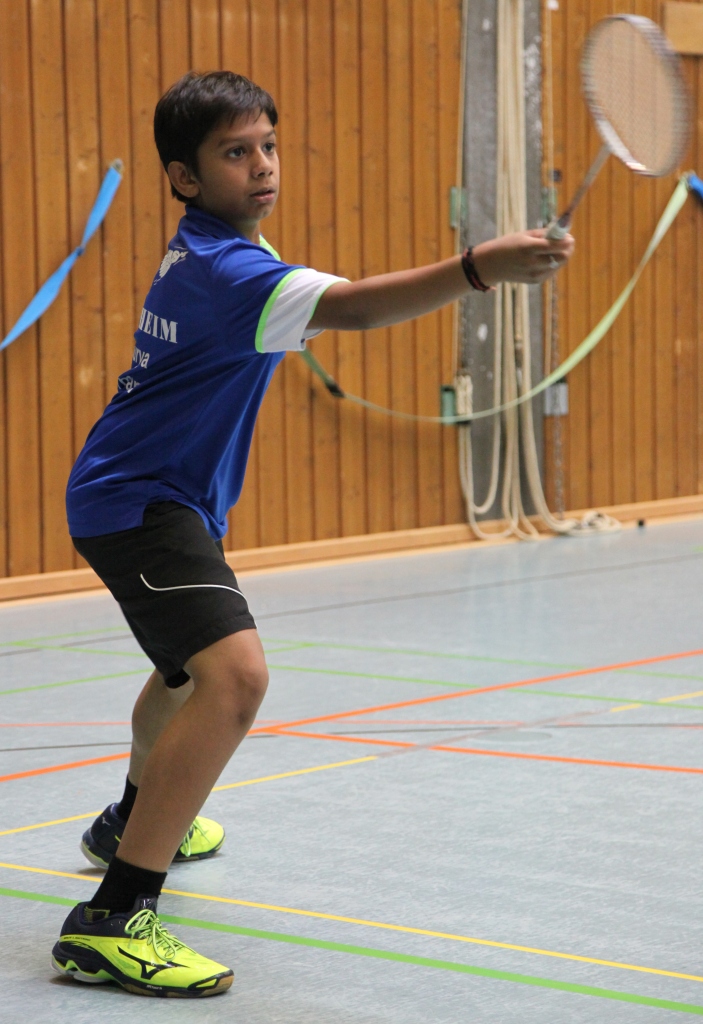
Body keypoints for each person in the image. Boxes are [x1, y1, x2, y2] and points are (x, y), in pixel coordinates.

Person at [51, 70, 574, 998]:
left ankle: (126, 821)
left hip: (151, 495)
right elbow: (360, 307)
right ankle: (114, 917)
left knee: (183, 674)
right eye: (234, 152)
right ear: (183, 177)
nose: (262, 166)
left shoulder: (221, 248)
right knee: (235, 677)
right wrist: (479, 268)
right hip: (140, 503)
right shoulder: (230, 271)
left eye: (268, 146)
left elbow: (315, 308)